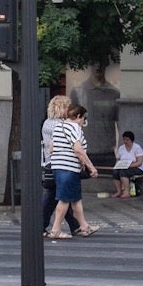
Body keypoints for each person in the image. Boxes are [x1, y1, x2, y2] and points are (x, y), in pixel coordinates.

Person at [43, 98, 98, 240]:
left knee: (75, 199)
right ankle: (55, 230)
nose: (83, 122)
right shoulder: (74, 128)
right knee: (64, 200)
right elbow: (78, 150)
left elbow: (51, 148)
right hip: (69, 168)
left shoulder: (58, 127)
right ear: (78, 117)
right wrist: (91, 166)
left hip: (58, 167)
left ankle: (84, 226)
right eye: (83, 118)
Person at [111, 130, 143, 200]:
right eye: (124, 140)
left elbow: (139, 162)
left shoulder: (137, 147)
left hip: (137, 168)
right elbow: (118, 160)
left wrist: (128, 166)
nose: (125, 141)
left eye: (127, 140)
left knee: (124, 172)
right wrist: (118, 165)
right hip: (123, 166)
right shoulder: (121, 148)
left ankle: (126, 191)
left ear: (131, 140)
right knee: (115, 172)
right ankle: (119, 191)